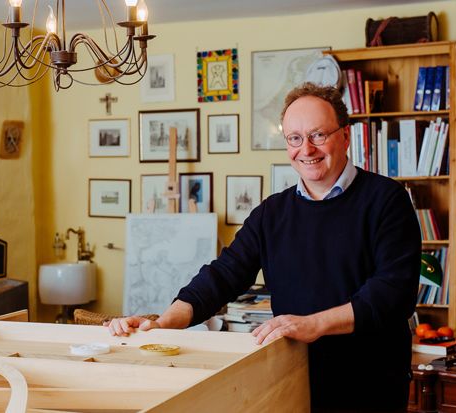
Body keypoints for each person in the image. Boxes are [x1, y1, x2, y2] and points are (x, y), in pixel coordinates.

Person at [107, 82, 421, 412]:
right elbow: (223, 275)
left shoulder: (387, 200)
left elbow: (392, 293)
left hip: (369, 384)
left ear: (345, 136)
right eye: (295, 139)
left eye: (318, 135)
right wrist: (164, 322)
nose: (307, 149)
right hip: (291, 375)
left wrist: (313, 324)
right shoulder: (272, 212)